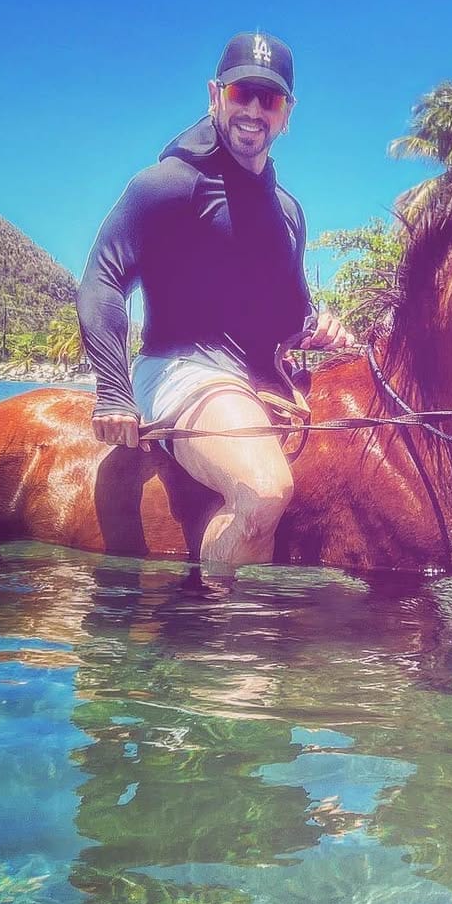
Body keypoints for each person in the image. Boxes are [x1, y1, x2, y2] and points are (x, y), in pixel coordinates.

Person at [77, 31, 353, 585]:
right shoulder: (169, 185)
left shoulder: (289, 212)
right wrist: (113, 389)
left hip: (262, 378)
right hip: (182, 369)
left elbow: (288, 314)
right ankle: (222, 656)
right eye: (241, 94)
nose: (254, 110)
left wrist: (317, 328)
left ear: (287, 114)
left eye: (269, 99)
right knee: (264, 492)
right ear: (215, 95)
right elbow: (101, 281)